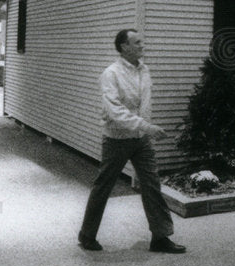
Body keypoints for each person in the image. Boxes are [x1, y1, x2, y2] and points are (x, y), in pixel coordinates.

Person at [78, 29, 186, 254]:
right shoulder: (111, 74)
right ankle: (87, 235)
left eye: (141, 42)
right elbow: (115, 111)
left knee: (152, 184)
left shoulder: (144, 70)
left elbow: (144, 104)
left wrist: (144, 129)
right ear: (124, 46)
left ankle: (160, 237)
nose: (142, 46)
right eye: (137, 43)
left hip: (141, 139)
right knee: (103, 186)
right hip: (116, 139)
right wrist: (146, 126)